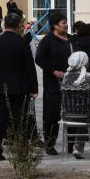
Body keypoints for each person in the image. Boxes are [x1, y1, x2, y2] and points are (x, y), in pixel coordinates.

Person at [0, 13, 39, 161]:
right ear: (18, 26)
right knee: (20, 120)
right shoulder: (22, 43)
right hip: (20, 87)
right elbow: (30, 67)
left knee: (0, 120)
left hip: (1, 87)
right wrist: (34, 88)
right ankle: (21, 152)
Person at [35, 12, 72, 155]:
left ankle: (72, 144)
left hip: (71, 81)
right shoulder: (48, 40)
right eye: (63, 23)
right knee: (52, 113)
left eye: (66, 22)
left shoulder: (71, 39)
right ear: (55, 26)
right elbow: (39, 59)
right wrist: (53, 71)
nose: (66, 25)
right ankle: (50, 143)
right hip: (53, 83)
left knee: (72, 112)